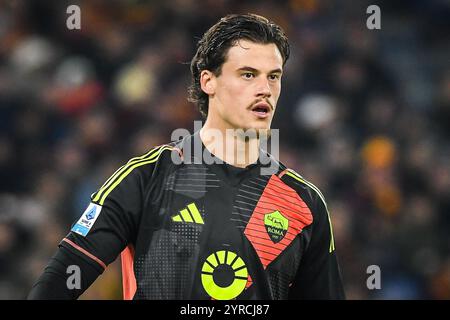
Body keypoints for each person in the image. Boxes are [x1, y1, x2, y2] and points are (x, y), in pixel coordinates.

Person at [28, 13, 345, 300]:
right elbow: (56, 284)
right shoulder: (145, 178)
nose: (265, 89)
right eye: (248, 74)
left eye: (273, 76)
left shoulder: (304, 202)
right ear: (209, 81)